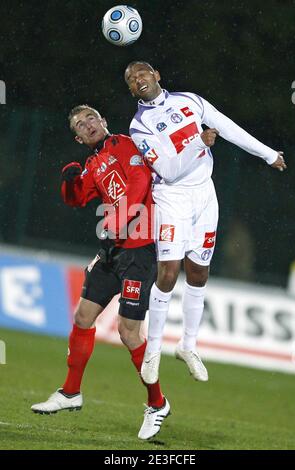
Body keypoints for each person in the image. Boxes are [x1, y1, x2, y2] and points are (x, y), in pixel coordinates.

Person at [124, 61, 287, 385]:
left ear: (156, 74)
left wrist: (267, 154)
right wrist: (198, 142)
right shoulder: (139, 126)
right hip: (172, 198)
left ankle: (188, 345)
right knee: (168, 272)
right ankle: (153, 350)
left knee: (198, 273)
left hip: (205, 197)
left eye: (142, 73)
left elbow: (227, 127)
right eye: (130, 80)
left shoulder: (190, 101)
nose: (137, 80)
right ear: (130, 90)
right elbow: (169, 169)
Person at [31, 105, 170, 440]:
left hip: (138, 248)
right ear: (78, 138)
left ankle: (157, 403)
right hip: (112, 249)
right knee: (82, 317)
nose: (88, 124)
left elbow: (139, 180)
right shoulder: (93, 163)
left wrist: (122, 220)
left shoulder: (123, 144)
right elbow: (77, 200)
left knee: (128, 332)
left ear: (104, 121)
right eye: (80, 124)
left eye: (91, 118)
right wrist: (69, 182)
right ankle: (70, 392)